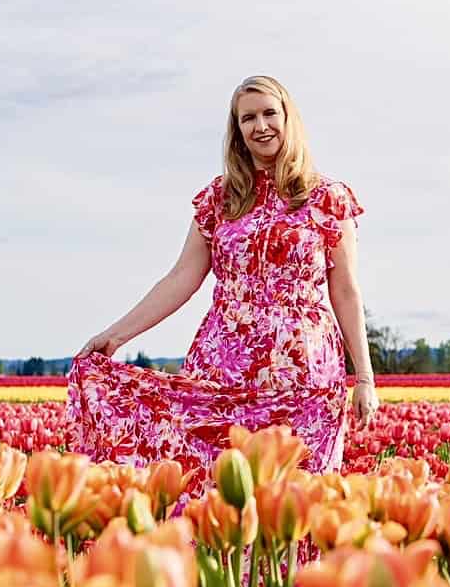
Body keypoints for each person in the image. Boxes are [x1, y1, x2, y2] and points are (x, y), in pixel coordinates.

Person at [68, 74, 378, 478]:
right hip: (224, 363)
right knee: (218, 485)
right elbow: (181, 277)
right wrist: (116, 335)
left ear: (289, 119)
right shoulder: (220, 198)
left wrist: (365, 377)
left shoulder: (326, 197)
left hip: (305, 370)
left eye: (270, 113)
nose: (261, 126)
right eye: (248, 118)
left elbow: (346, 291)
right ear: (237, 130)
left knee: (298, 492)